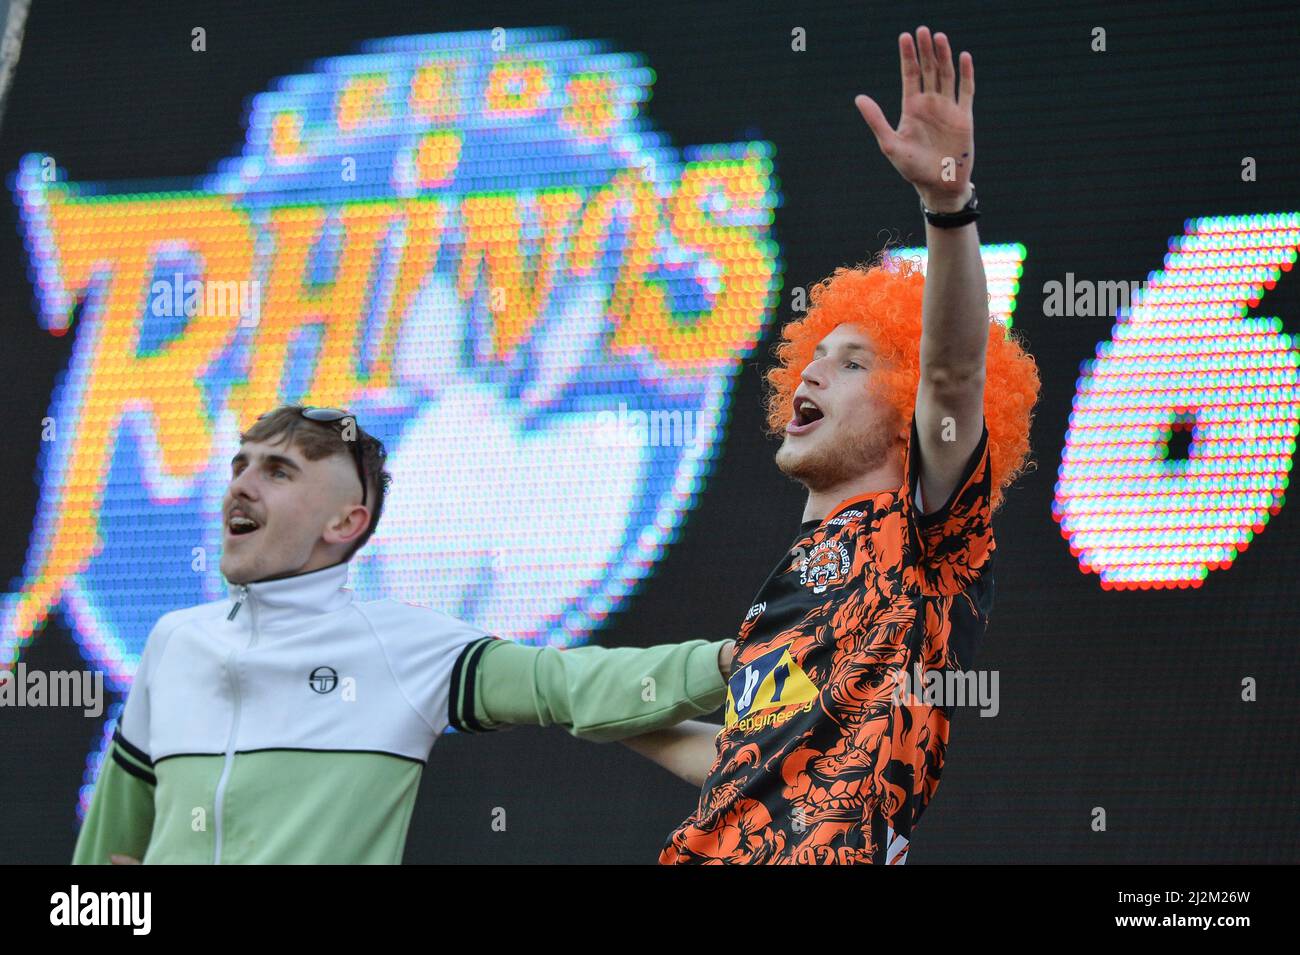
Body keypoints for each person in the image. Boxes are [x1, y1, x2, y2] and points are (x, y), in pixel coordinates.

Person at [623, 26, 1041, 864]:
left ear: (904, 407)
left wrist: (949, 205)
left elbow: (955, 374)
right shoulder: (788, 585)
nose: (811, 372)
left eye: (853, 362)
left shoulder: (929, 537)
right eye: (811, 356)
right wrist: (607, 713)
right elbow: (748, 761)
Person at [74, 405, 736, 864]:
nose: (240, 487)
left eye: (277, 472)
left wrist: (731, 659)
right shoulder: (173, 643)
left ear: (346, 522)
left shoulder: (405, 646)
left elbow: (569, 684)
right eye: (240, 465)